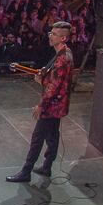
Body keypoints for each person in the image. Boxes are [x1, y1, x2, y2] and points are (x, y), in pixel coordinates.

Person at [6, 21, 74, 183]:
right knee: (52, 136)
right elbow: (50, 77)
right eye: (51, 32)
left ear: (63, 38)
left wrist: (40, 105)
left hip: (52, 106)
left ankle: (26, 171)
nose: (50, 36)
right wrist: (40, 77)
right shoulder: (62, 53)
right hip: (57, 105)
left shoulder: (63, 58)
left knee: (38, 137)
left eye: (55, 34)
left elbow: (54, 87)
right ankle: (47, 166)